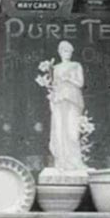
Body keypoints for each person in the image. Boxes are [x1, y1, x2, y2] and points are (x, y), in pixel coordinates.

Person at [48, 40, 87, 172]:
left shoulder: (76, 65)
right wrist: (52, 95)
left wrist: (68, 79)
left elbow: (81, 83)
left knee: (72, 131)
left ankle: (75, 161)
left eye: (69, 51)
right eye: (64, 51)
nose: (67, 53)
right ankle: (62, 162)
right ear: (60, 52)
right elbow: (54, 85)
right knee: (60, 130)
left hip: (72, 99)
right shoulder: (56, 68)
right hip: (59, 100)